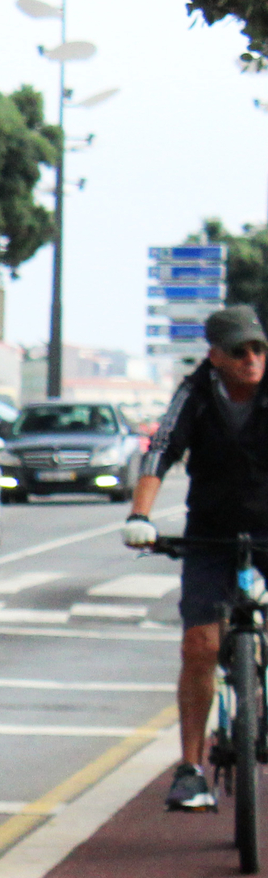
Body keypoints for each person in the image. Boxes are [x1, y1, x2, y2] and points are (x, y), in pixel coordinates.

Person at [123, 304, 268, 812]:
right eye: (239, 351)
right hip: (212, 533)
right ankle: (190, 768)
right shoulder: (197, 393)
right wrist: (141, 516)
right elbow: (161, 447)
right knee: (200, 646)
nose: (251, 359)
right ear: (215, 356)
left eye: (258, 348)